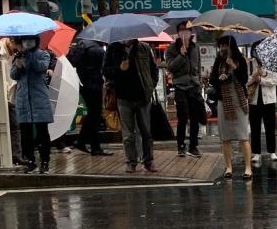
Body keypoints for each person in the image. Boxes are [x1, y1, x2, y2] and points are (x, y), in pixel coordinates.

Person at [104, 37, 159, 173]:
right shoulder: (113, 49)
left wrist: (151, 86)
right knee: (128, 134)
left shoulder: (144, 48)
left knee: (146, 131)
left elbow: (154, 69)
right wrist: (119, 68)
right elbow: (105, 71)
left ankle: (148, 161)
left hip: (143, 97)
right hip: (123, 97)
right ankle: (131, 161)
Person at [210, 35, 252, 179]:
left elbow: (244, 79)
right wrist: (219, 78)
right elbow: (212, 80)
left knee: (243, 136)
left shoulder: (241, 60)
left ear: (231, 46)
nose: (222, 48)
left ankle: (248, 168)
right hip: (224, 102)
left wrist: (234, 66)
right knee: (225, 137)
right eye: (220, 46)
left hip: (239, 101)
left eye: (225, 46)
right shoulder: (218, 61)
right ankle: (228, 167)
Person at [10, 36, 54, 174]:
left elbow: (41, 67)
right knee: (25, 133)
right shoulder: (18, 55)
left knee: (42, 133)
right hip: (23, 99)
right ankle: (30, 161)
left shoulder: (43, 54)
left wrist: (28, 56)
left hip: (39, 98)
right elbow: (13, 75)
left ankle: (45, 161)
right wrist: (18, 64)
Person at [66, 35, 112, 156]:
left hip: (82, 84)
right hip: (94, 85)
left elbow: (71, 61)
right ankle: (85, 143)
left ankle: (90, 144)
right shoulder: (98, 50)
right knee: (95, 115)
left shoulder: (81, 45)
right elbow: (106, 68)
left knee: (92, 114)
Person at [164, 20, 203, 158]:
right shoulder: (172, 49)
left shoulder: (195, 47)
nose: (184, 32)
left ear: (191, 32)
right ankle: (181, 145)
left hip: (194, 86)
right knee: (183, 116)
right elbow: (170, 67)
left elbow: (198, 66)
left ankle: (193, 146)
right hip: (180, 86)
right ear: (177, 32)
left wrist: (199, 83)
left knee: (195, 117)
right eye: (181, 30)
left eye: (187, 30)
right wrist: (181, 55)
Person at [248, 51, 277, 167]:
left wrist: (262, 79)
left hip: (269, 100)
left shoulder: (272, 62)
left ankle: (272, 152)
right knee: (255, 127)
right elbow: (246, 81)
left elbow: (275, 80)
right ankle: (256, 153)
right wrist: (254, 77)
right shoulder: (251, 63)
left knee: (270, 127)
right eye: (255, 50)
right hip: (254, 100)